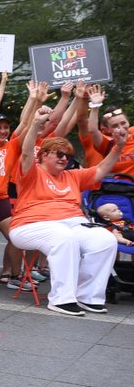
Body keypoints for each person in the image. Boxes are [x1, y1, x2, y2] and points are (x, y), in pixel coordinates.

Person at [7, 104, 125, 316]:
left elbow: (101, 169)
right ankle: (61, 299)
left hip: (73, 223)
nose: (64, 158)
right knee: (64, 237)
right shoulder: (31, 172)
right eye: (59, 154)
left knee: (105, 240)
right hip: (30, 224)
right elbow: (26, 152)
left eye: (67, 156)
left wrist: (118, 146)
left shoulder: (72, 176)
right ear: (43, 156)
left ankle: (88, 296)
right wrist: (36, 123)